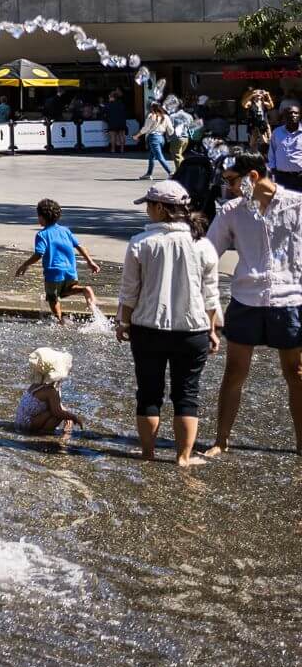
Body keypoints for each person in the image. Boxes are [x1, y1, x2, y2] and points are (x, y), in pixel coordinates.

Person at [200, 152, 302, 457]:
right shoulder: (232, 210)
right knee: (234, 372)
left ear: (252, 177)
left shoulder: (298, 204)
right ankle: (220, 440)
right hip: (246, 299)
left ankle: (300, 444)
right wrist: (207, 304)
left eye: (232, 180)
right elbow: (208, 255)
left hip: (292, 298)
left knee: (296, 372)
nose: (229, 187)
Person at [116, 179, 222, 466]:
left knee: (148, 393)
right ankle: (183, 458)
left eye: (148, 205)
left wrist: (123, 323)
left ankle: (148, 453)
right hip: (193, 331)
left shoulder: (141, 243)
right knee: (187, 394)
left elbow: (129, 292)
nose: (146, 210)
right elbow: (211, 296)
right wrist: (213, 330)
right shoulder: (203, 245)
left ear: (161, 208)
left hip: (148, 329)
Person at [14, 198, 105, 323]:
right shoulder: (65, 231)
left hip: (54, 272)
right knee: (67, 291)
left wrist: (25, 265)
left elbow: (39, 254)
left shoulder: (42, 235)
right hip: (70, 270)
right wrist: (90, 262)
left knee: (53, 298)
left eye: (38, 216)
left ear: (42, 217)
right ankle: (85, 289)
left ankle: (59, 322)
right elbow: (79, 246)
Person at [13, 347, 84, 447]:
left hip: (20, 420)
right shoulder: (51, 391)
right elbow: (57, 412)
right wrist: (73, 417)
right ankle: (44, 434)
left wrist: (66, 413)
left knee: (60, 411)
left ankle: (43, 432)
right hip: (28, 424)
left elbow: (56, 405)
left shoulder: (36, 385)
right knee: (57, 415)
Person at [269, 104, 302, 192]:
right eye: (290, 113)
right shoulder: (277, 132)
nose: (293, 115)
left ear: (300, 115)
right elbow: (271, 152)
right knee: (282, 203)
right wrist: (273, 169)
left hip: (300, 177)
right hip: (281, 177)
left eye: (296, 113)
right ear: (284, 117)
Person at [138, 104, 173, 180]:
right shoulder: (166, 117)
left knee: (159, 156)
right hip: (161, 138)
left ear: (152, 109)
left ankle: (171, 173)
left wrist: (137, 135)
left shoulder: (151, 116)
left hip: (153, 138)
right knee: (151, 157)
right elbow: (171, 130)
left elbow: (146, 128)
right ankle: (148, 174)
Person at [244, 87, 275, 154]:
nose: (259, 95)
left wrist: (268, 95)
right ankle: (252, 153)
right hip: (253, 124)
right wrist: (251, 95)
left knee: (265, 140)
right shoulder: (251, 103)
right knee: (253, 141)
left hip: (262, 123)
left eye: (260, 94)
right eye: (257, 94)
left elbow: (271, 106)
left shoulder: (263, 103)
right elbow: (244, 105)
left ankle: (266, 154)